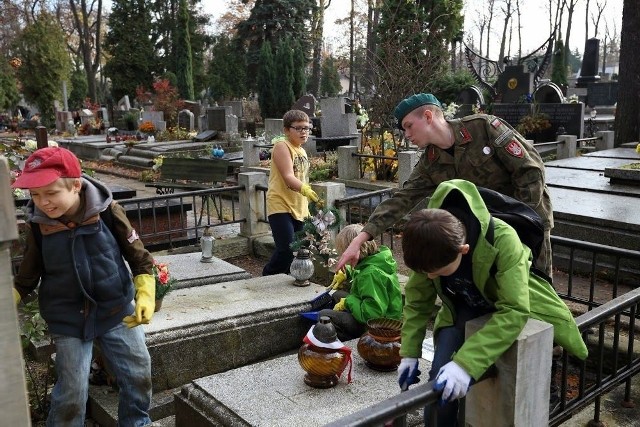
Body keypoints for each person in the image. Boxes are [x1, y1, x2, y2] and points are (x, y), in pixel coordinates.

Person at [396, 179, 587, 425]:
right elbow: (417, 301)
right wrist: (409, 353)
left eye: (438, 272)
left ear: (463, 250)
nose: (430, 277)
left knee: (459, 376)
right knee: (439, 382)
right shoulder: (430, 242)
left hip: (500, 310)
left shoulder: (503, 240)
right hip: (460, 311)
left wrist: (465, 365)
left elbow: (515, 309)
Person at [335, 93, 554, 278]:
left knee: (538, 283)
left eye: (409, 126)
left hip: (529, 222)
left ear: (428, 116)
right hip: (487, 233)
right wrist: (361, 239)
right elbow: (401, 200)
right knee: (503, 290)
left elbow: (530, 171)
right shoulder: (430, 162)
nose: (407, 135)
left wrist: (518, 222)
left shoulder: (484, 128)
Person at [12, 146, 155, 426]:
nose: (43, 203)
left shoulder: (108, 213)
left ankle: (137, 422)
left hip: (116, 311)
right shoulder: (39, 227)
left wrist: (146, 294)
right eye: (34, 195)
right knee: (72, 392)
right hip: (68, 319)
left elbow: (139, 257)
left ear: (76, 185)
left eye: (51, 193)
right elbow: (27, 276)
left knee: (138, 375)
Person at [318, 224, 403, 341]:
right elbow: (363, 270)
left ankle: (351, 341)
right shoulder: (376, 259)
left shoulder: (370, 274)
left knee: (324, 315)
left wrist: (348, 302)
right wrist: (347, 272)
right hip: (379, 315)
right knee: (337, 295)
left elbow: (372, 315)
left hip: (379, 328)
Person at [262, 109, 320, 277]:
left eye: (307, 128)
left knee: (299, 251)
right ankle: (267, 276)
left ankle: (285, 281)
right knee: (287, 249)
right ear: (287, 130)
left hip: (299, 207)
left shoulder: (301, 150)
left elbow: (302, 177)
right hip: (280, 205)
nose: (304, 132)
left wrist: (308, 204)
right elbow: (288, 176)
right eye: (299, 128)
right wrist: (306, 189)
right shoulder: (282, 146)